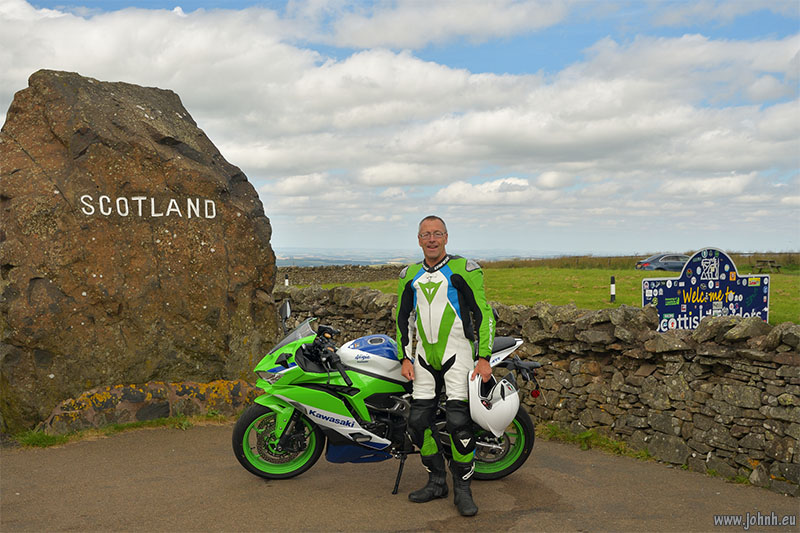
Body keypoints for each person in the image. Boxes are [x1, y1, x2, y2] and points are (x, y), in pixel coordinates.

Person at [395, 215, 495, 517]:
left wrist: (484, 357)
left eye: (437, 233)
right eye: (426, 234)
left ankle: (463, 489)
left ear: (446, 238)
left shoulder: (464, 269)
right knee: (417, 423)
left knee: (458, 423)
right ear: (419, 239)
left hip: (458, 354)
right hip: (424, 358)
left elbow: (484, 314)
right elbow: (402, 318)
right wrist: (405, 357)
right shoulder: (409, 275)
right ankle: (436, 481)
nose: (432, 239)